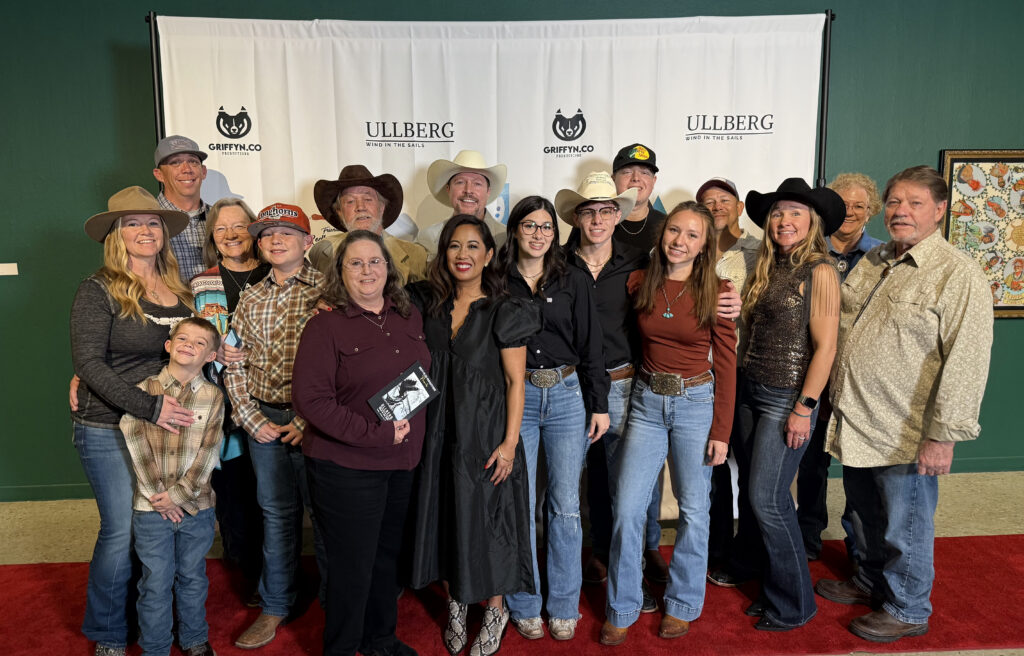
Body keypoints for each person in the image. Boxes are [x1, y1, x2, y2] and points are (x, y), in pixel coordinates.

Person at [816, 165, 993, 643]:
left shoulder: (957, 274)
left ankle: (908, 607)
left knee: (905, 524)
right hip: (857, 417)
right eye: (895, 202)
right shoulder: (876, 260)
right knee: (862, 514)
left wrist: (942, 436)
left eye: (915, 203)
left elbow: (967, 361)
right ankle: (870, 580)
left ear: (940, 210)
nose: (901, 211)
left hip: (906, 430)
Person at [601, 202, 737, 645]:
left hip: (696, 404)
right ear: (662, 235)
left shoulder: (719, 291)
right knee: (627, 507)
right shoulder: (640, 281)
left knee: (694, 510)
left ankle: (682, 604)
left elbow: (727, 365)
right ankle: (622, 605)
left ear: (704, 245)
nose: (680, 241)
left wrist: (721, 431)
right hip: (645, 402)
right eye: (674, 230)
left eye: (692, 235)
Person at [407, 215, 541, 656]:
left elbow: (515, 382)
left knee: (491, 521)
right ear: (443, 253)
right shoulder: (427, 304)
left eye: (472, 246)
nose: (462, 255)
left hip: (486, 435)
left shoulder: (506, 309)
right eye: (454, 246)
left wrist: (510, 444)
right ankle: (458, 603)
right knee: (448, 515)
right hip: (438, 433)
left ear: (488, 255)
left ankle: (496, 610)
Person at [71, 186, 195, 656]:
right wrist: (149, 406)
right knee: (120, 531)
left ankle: (154, 621)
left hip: (166, 429)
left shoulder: (182, 291)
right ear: (116, 235)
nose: (145, 230)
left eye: (152, 222)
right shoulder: (98, 288)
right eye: (132, 223)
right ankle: (109, 632)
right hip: (108, 425)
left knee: (159, 528)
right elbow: (89, 362)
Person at [293, 231, 430, 656]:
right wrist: (377, 434)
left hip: (401, 463)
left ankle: (379, 640)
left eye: (375, 261)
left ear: (389, 268)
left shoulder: (409, 317)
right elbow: (311, 401)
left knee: (387, 558)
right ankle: (342, 647)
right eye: (355, 262)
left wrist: (401, 441)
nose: (367, 270)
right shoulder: (324, 326)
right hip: (346, 468)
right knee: (352, 566)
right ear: (340, 272)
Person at [496, 196, 609, 642]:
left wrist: (599, 404)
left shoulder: (572, 279)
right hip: (517, 397)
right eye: (530, 225)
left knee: (565, 506)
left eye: (546, 227)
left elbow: (592, 344)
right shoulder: (497, 278)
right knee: (520, 504)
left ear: (556, 234)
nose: (538, 234)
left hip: (566, 395)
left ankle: (563, 604)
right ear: (515, 230)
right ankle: (524, 602)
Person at [735, 178, 843, 630]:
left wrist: (804, 407)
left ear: (812, 221)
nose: (784, 220)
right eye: (778, 212)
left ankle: (796, 604)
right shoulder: (769, 265)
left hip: (786, 398)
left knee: (768, 500)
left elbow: (826, 348)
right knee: (756, 496)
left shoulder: (820, 270)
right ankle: (772, 587)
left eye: (795, 212)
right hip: (751, 391)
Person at [223, 203, 327, 649]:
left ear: (308, 242)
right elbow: (234, 361)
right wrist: (250, 418)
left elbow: (341, 364)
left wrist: (308, 419)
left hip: (315, 422)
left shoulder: (328, 291)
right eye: (267, 234)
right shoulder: (251, 297)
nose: (276, 240)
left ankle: (335, 604)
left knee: (325, 514)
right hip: (264, 419)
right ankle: (275, 603)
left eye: (287, 233)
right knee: (276, 513)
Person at [120, 318, 224, 656]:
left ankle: (194, 639)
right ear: (168, 345)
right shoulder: (142, 391)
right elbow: (134, 439)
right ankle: (155, 647)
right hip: (151, 508)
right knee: (155, 581)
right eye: (182, 338)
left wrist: (178, 495)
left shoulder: (213, 397)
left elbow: (209, 451)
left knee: (193, 577)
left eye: (199, 343)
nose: (189, 345)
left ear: (211, 356)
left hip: (197, 507)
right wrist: (160, 497)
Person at [796, 172, 884, 562]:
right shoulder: (806, 252)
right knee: (810, 464)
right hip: (812, 374)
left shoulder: (884, 257)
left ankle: (860, 552)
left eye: (859, 206)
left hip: (860, 381)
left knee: (859, 470)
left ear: (872, 211)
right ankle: (807, 539)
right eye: (842, 204)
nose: (850, 212)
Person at [190, 197, 270, 604]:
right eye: (221, 228)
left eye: (239, 225)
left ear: (253, 231)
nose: (231, 234)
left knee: (271, 493)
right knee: (235, 492)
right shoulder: (201, 284)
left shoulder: (276, 272)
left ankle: (278, 572)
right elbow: (190, 342)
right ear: (212, 238)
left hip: (272, 400)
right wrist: (212, 350)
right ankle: (249, 570)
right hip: (222, 405)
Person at [696, 176, 759, 574]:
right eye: (708, 201)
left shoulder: (760, 252)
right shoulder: (691, 248)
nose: (717, 206)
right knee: (713, 465)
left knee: (751, 466)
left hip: (744, 372)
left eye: (724, 199)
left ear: (739, 207)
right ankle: (716, 547)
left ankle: (749, 550)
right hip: (702, 376)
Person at [308, 165, 428, 284]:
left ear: (381, 207)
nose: (360, 207)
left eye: (368, 199)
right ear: (339, 212)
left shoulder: (415, 254)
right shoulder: (322, 252)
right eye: (350, 201)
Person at [416, 150, 508, 258]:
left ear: (488, 191)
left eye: (477, 184)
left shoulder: (507, 238)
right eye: (460, 182)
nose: (468, 190)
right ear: (448, 189)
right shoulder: (427, 239)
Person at [152, 135, 211, 283]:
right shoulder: (147, 222)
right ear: (159, 175)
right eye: (175, 163)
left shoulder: (221, 219)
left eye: (193, 161)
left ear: (203, 171)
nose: (186, 169)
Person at [610, 143, 665, 251]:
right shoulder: (597, 222)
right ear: (613, 179)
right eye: (627, 172)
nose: (636, 178)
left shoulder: (666, 224)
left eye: (644, 173)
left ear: (653, 181)